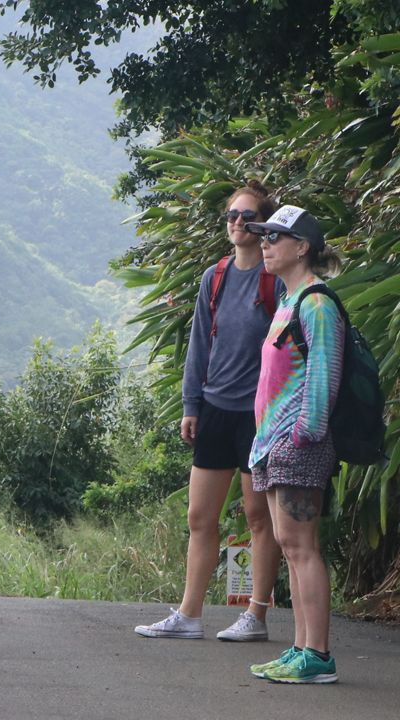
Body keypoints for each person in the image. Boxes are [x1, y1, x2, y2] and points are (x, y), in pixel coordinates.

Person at [135, 181, 284, 642]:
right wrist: (190, 404)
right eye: (232, 216)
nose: (237, 223)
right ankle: (189, 614)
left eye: (247, 216)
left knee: (260, 518)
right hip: (216, 408)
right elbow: (200, 344)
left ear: (263, 225)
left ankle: (256, 617)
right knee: (201, 517)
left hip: (259, 414)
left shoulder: (275, 279)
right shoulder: (214, 277)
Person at [242, 206, 344, 684]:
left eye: (274, 237)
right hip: (272, 445)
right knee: (288, 545)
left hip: (297, 445)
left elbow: (323, 381)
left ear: (302, 246)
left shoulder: (317, 304)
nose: (264, 244)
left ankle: (318, 656)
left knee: (302, 547)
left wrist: (300, 434)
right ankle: (300, 648)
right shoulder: (287, 301)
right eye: (262, 237)